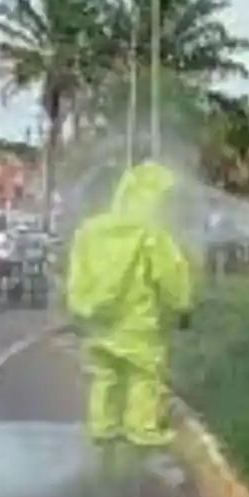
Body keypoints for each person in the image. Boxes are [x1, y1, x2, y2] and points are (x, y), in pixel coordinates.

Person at [66, 161, 194, 453]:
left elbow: (77, 271)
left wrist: (79, 306)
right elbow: (170, 275)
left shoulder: (91, 230)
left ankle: (103, 426)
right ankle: (141, 429)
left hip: (97, 319)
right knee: (144, 375)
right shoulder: (152, 234)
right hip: (138, 322)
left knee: (106, 374)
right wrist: (182, 306)